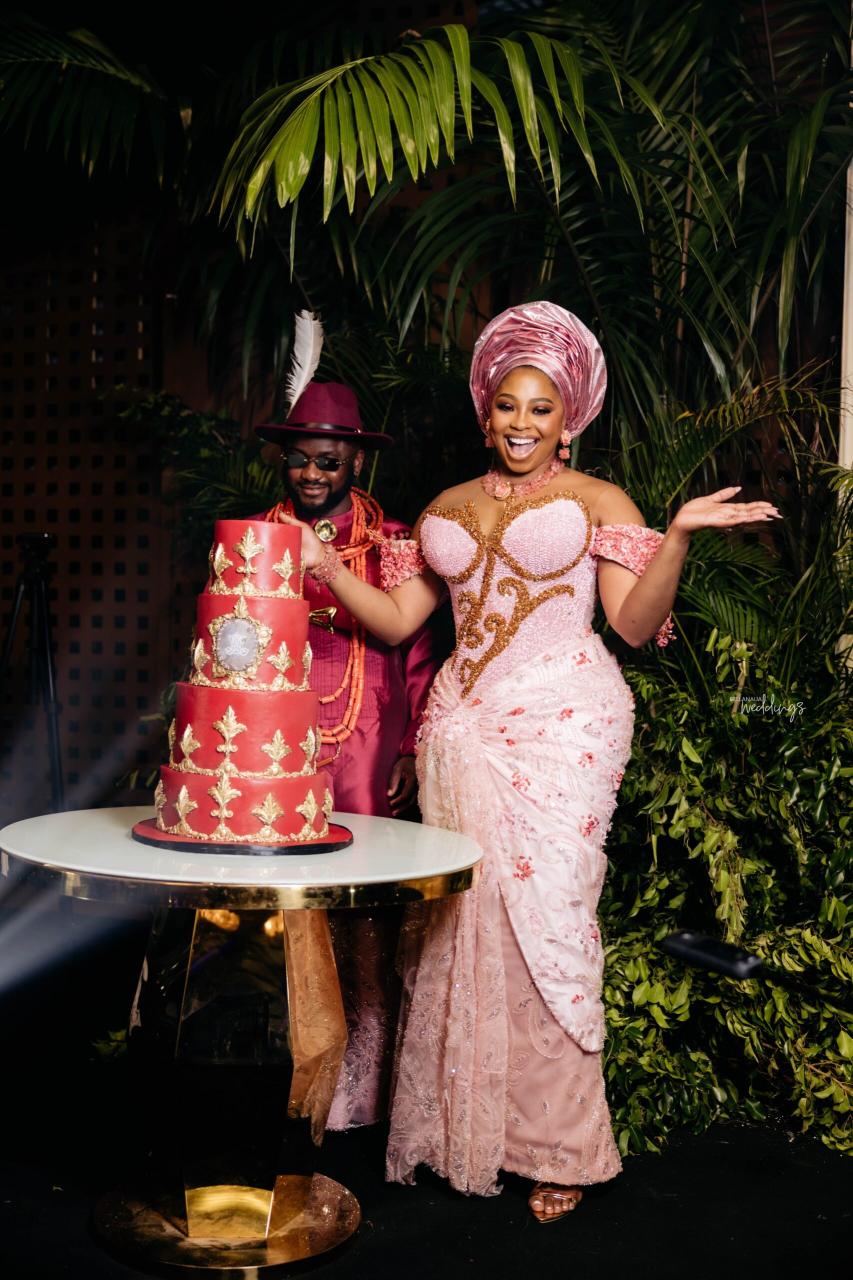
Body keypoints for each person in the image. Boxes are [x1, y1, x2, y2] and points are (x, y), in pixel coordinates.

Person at [279, 302, 781, 1219]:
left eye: (540, 409)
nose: (521, 423)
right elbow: (395, 622)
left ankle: (560, 1148)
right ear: (485, 413)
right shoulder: (444, 508)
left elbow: (633, 625)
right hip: (460, 729)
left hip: (562, 725)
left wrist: (672, 538)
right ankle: (460, 1124)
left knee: (549, 925)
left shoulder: (600, 502)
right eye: (507, 405)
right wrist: (324, 565)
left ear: (568, 419)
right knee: (456, 930)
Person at [256, 379, 442, 1130]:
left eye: (328, 462)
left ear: (355, 463)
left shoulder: (394, 541)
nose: (311, 474)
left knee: (365, 907)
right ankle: (292, 1069)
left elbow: (419, 650)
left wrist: (411, 747)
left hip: (366, 732)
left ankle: (363, 1088)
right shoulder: (256, 536)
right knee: (289, 903)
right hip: (277, 734)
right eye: (299, 459)